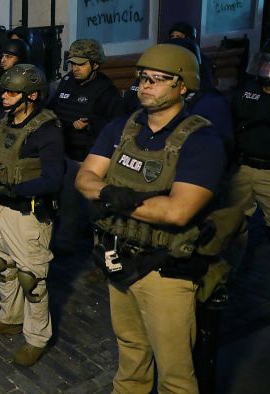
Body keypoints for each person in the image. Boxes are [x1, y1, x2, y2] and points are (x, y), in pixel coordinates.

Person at [76, 44, 227, 393]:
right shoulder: (122, 127)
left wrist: (113, 197)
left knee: (174, 372)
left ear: (183, 86)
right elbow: (85, 178)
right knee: (130, 352)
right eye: (143, 78)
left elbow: (178, 211)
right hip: (119, 259)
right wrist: (111, 194)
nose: (147, 85)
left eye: (159, 80)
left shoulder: (201, 140)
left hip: (166, 271)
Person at [0, 64, 63, 367]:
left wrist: (18, 189)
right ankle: (9, 317)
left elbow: (54, 178)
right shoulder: (5, 121)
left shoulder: (47, 130)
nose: (5, 96)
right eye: (4, 90)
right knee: (3, 266)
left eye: (12, 92)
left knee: (32, 278)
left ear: (32, 95)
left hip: (27, 215)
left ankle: (37, 337)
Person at [46, 39, 121, 253]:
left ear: (95, 64)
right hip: (67, 155)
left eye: (81, 64)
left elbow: (117, 125)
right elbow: (54, 108)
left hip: (91, 161)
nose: (75, 69)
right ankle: (64, 245)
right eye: (73, 64)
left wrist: (90, 125)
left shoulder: (106, 91)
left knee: (96, 209)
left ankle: (103, 250)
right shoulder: (67, 81)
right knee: (67, 204)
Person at [229, 39, 270, 287]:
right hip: (243, 167)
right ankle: (228, 268)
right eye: (264, 60)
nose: (266, 67)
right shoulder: (247, 88)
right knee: (231, 222)